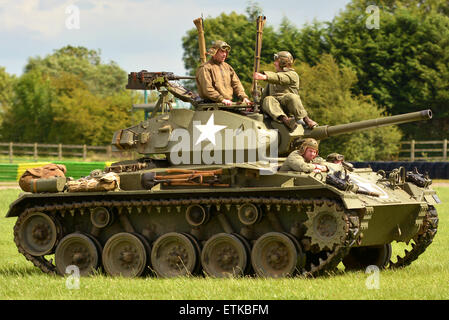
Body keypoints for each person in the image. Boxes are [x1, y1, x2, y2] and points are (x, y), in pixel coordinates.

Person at [253, 51, 317, 131]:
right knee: (268, 99)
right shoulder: (273, 79)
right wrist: (256, 105)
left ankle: (306, 119)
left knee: (292, 97)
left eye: (276, 61)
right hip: (275, 108)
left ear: (282, 62)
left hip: (288, 106)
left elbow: (280, 78)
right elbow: (264, 96)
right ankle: (286, 120)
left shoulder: (292, 75)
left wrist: (265, 77)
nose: (274, 63)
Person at [196, 40, 252, 106]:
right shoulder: (205, 68)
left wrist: (244, 97)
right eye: (222, 51)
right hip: (212, 106)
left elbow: (236, 84)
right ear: (214, 52)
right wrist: (221, 99)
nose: (225, 54)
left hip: (227, 104)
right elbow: (207, 89)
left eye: (226, 52)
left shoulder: (227, 67)